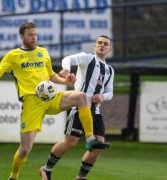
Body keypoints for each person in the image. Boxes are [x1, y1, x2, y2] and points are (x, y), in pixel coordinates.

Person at [0, 22, 108, 180]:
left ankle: (90, 138)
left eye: (36, 35)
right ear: (21, 36)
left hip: (51, 98)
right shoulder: (13, 56)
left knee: (81, 96)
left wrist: (65, 80)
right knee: (25, 149)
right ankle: (13, 176)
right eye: (30, 35)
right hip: (31, 104)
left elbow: (51, 76)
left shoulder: (43, 52)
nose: (34, 38)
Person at [39, 35, 114, 180]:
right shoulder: (88, 58)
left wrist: (103, 97)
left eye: (105, 44)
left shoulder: (110, 70)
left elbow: (110, 91)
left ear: (109, 49)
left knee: (98, 145)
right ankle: (46, 169)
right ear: (94, 46)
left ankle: (80, 177)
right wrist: (66, 70)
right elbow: (68, 59)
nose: (102, 45)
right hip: (79, 106)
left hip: (96, 111)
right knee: (71, 142)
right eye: (99, 43)